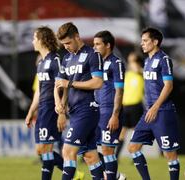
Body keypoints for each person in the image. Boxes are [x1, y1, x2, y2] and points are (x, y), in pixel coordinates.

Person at [128, 27, 180, 180]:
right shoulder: (147, 60)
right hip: (149, 112)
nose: (142, 44)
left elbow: (168, 86)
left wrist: (156, 107)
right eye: (142, 40)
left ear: (155, 41)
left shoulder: (164, 59)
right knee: (133, 147)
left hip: (162, 111)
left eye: (145, 41)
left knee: (169, 154)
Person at [54, 22, 104, 180]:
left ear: (77, 36)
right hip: (75, 112)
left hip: (87, 109)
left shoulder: (92, 54)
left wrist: (70, 83)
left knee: (68, 151)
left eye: (68, 43)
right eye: (63, 44)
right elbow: (60, 85)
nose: (66, 47)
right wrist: (59, 104)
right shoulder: (67, 58)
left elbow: (98, 82)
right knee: (90, 157)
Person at [25, 26, 64, 180]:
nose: (33, 41)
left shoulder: (55, 60)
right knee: (41, 151)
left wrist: (60, 111)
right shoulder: (41, 63)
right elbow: (39, 91)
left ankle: (71, 172)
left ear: (42, 40)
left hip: (51, 108)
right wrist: (31, 111)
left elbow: (62, 87)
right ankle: (73, 173)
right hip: (42, 109)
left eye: (35, 38)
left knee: (45, 148)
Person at [93, 30, 125, 179]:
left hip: (109, 111)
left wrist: (115, 115)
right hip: (96, 111)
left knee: (107, 150)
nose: (94, 47)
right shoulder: (96, 63)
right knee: (90, 149)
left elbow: (119, 91)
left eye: (98, 44)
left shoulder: (116, 63)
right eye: (93, 44)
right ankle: (117, 177)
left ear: (108, 45)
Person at [116, 52, 144, 158]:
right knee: (121, 132)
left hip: (136, 106)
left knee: (136, 133)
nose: (130, 63)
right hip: (125, 107)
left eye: (133, 61)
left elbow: (142, 72)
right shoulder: (127, 74)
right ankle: (116, 156)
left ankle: (136, 156)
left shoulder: (141, 73)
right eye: (129, 61)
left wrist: (138, 68)